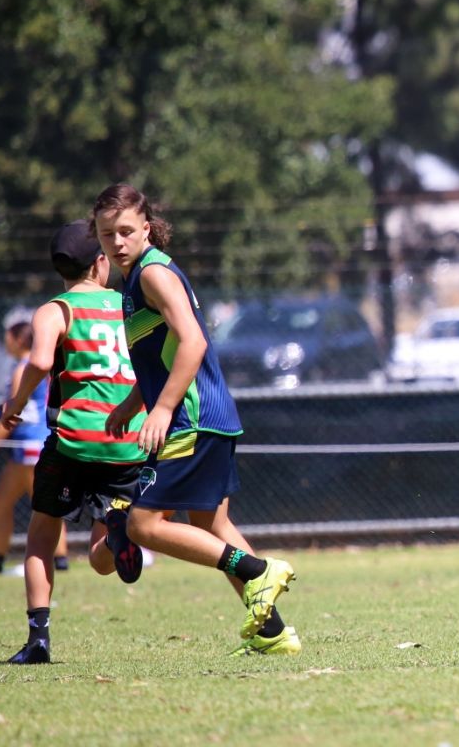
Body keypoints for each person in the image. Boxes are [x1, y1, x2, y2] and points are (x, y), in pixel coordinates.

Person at [92, 184, 300, 656]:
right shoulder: (130, 280)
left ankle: (257, 571)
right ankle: (274, 633)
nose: (117, 241)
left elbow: (193, 343)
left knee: (143, 526)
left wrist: (162, 408)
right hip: (206, 415)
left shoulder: (152, 275)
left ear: (146, 228)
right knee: (211, 524)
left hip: (191, 417)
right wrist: (134, 400)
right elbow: (161, 353)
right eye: (107, 234)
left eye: (126, 230)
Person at [1, 220, 150, 664]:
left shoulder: (53, 310)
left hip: (75, 440)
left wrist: (18, 398)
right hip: (128, 438)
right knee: (101, 559)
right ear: (101, 262)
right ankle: (117, 535)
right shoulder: (128, 304)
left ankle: (38, 640)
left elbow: (43, 359)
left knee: (42, 534)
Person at [0, 309, 69, 574]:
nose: (5, 342)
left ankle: (6, 561)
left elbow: (12, 412)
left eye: (7, 338)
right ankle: (58, 561)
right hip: (37, 444)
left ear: (17, 339)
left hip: (28, 447)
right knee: (13, 501)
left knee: (36, 505)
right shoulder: (41, 366)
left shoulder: (23, 368)